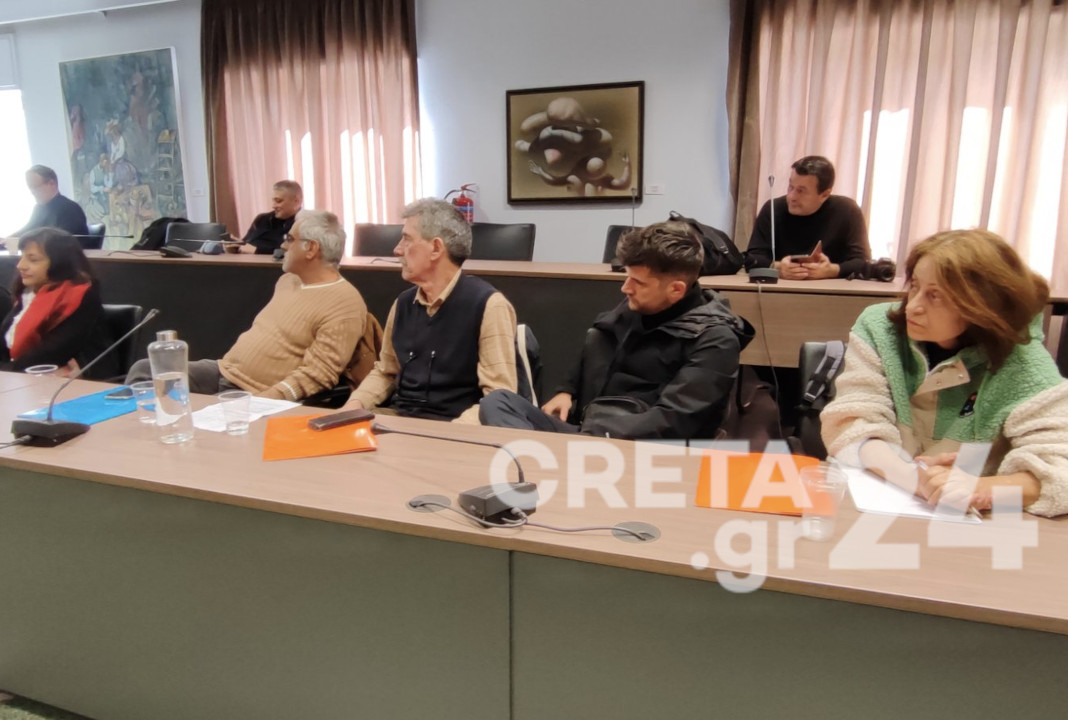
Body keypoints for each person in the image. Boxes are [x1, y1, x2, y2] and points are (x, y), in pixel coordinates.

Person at [820, 229, 1068, 517]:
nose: (913, 306)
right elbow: (852, 424)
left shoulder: (1025, 364)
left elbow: (1060, 469)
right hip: (867, 502)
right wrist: (915, 479)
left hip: (964, 524)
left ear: (981, 305)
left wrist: (982, 488)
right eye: (915, 286)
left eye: (934, 296)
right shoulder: (880, 328)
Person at [480, 221, 753, 439]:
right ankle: (546, 464)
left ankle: (543, 465)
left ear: (676, 290)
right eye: (627, 276)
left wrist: (591, 436)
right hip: (590, 431)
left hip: (646, 448)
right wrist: (566, 390)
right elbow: (596, 343)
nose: (625, 288)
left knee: (521, 437)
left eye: (638, 282)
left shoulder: (716, 339)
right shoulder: (638, 306)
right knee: (498, 401)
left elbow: (671, 421)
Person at [126, 210, 371, 401]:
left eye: (290, 239)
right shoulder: (288, 281)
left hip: (255, 393)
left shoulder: (344, 304)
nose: (283, 246)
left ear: (311, 249)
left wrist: (264, 401)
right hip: (224, 371)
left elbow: (319, 374)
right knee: (145, 370)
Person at [346, 198, 517, 422]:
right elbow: (386, 372)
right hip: (400, 420)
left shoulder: (488, 305)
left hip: (456, 426)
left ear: (436, 248)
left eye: (407, 239)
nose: (397, 250)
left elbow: (499, 396)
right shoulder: (403, 303)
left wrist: (449, 432)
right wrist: (354, 404)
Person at [1, 227, 109, 373]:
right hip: (21, 374)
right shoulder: (28, 292)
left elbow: (53, 353)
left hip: (73, 377)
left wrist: (7, 370)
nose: (21, 266)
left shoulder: (80, 295)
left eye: (33, 260)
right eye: (22, 257)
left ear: (59, 262)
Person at [746, 155, 869, 280]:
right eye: (791, 187)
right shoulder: (773, 209)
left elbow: (862, 262)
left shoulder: (847, 211)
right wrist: (778, 267)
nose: (792, 197)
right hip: (781, 287)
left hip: (832, 289)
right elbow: (751, 259)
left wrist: (832, 270)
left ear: (824, 195)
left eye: (801, 191)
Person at [12, 166, 89, 238]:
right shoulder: (39, 209)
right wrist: (8, 240)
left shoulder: (70, 209)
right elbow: (27, 230)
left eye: (35, 187)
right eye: (30, 187)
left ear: (51, 183)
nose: (32, 192)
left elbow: (65, 241)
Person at [230, 180, 303, 255]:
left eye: (278, 201)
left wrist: (258, 250)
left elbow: (296, 253)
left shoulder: (304, 224)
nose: (273, 206)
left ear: (296, 201)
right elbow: (247, 244)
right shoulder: (262, 219)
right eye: (273, 201)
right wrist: (237, 246)